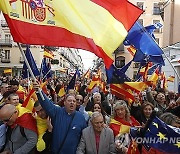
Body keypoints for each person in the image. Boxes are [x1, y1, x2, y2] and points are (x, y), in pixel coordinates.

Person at [33, 82, 87, 154]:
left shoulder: (81, 118)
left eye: (74, 101)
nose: (72, 102)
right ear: (64, 103)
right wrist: (38, 91)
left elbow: (84, 137)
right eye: (69, 101)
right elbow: (46, 103)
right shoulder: (57, 112)